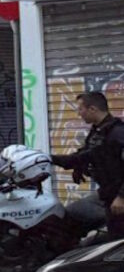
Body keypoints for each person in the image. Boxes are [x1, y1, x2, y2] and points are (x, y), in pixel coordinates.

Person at [51, 91, 124, 238]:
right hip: (108, 193)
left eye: (80, 109)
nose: (79, 114)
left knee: (118, 239)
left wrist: (122, 197)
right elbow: (86, 154)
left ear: (92, 109)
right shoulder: (99, 131)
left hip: (118, 197)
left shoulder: (117, 133)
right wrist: (78, 167)